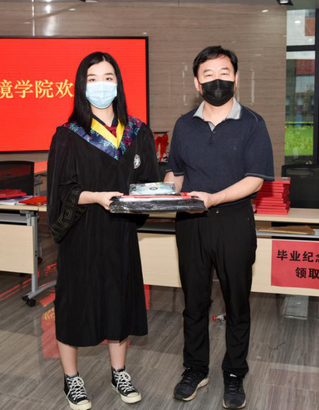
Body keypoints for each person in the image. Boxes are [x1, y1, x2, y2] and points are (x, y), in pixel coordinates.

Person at [47, 51, 159, 410]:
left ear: (118, 83)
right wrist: (95, 197)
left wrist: (159, 194)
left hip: (121, 233)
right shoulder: (68, 135)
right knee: (74, 305)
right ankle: (72, 378)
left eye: (108, 77)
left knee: (119, 301)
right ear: (81, 86)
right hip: (82, 233)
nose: (101, 85)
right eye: (92, 78)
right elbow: (60, 192)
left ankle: (119, 371)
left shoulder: (138, 132)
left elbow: (147, 184)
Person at [164, 46, 274, 409]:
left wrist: (214, 198)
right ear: (197, 83)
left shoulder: (253, 123)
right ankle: (195, 369)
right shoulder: (184, 125)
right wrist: (160, 192)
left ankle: (234, 372)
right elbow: (176, 173)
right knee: (194, 302)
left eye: (224, 73)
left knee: (237, 302)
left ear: (236, 78)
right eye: (208, 75)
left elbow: (255, 179)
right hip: (191, 223)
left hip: (234, 222)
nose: (217, 81)